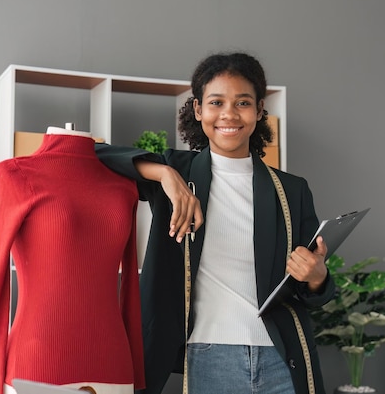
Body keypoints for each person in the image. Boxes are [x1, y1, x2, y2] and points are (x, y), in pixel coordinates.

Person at [95, 52, 335, 394]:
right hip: (210, 355)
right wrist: (164, 174)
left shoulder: (291, 190)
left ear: (260, 110)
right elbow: (91, 157)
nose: (229, 114)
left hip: (283, 358)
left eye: (243, 103)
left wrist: (316, 277)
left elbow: (310, 290)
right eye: (216, 102)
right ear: (197, 109)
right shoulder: (178, 171)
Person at [0, 126, 145, 394]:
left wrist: (136, 365)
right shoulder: (12, 175)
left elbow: (129, 284)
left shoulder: (124, 186)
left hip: (113, 361)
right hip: (39, 359)